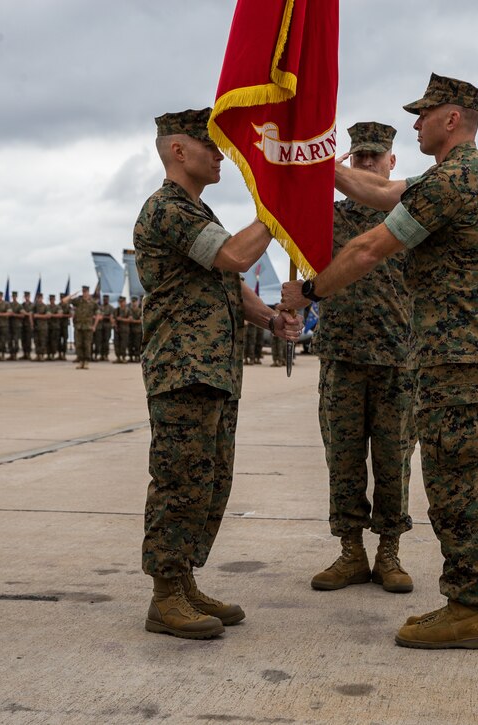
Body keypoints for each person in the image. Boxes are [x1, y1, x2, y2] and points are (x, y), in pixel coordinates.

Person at [282, 73, 478, 649]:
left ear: (451, 118)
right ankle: (466, 597)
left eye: (423, 115)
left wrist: (308, 295)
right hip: (457, 353)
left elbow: (368, 247)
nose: (415, 125)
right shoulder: (461, 176)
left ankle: (469, 607)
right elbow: (384, 195)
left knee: (455, 481)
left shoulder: (456, 179)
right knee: (461, 476)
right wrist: (314, 164)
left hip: (457, 356)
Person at [135, 108, 301, 640]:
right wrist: (277, 210)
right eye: (211, 147)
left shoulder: (196, 210)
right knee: (180, 481)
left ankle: (183, 582)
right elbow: (233, 256)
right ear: (179, 151)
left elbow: (229, 284)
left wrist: (271, 317)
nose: (222, 155)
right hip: (182, 369)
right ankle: (165, 597)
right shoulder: (167, 210)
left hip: (213, 371)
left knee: (209, 481)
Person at [308, 121, 417, 596]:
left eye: (377, 157)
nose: (368, 163)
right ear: (350, 162)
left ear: (392, 163)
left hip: (399, 358)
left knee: (394, 460)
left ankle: (389, 551)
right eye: (360, 157)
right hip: (342, 353)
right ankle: (351, 550)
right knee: (344, 459)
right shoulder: (324, 216)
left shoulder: (412, 214)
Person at [65, 285, 100, 370]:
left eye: (86, 292)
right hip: (78, 327)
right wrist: (73, 294)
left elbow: (98, 315)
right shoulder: (78, 301)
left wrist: (94, 326)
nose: (84, 293)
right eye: (83, 292)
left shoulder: (93, 303)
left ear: (88, 292)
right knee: (78, 344)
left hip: (88, 327)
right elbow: (64, 301)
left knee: (87, 345)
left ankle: (86, 362)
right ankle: (81, 362)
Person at [113, 296, 129, 363]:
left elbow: (130, 319)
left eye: (122, 302)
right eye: (120, 302)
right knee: (117, 343)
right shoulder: (116, 310)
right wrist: (114, 323)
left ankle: (123, 357)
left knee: (123, 344)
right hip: (117, 329)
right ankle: (118, 357)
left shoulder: (127, 310)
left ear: (125, 302)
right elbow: (113, 318)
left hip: (124, 329)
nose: (121, 303)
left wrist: (121, 319)